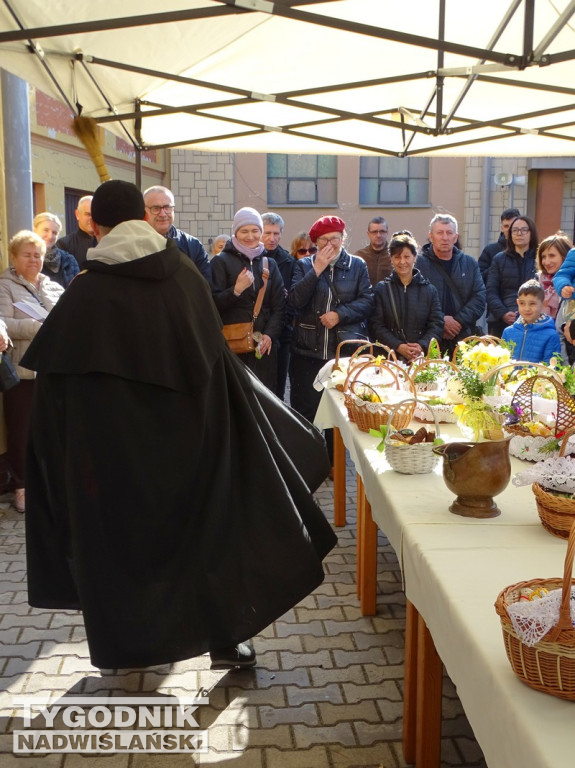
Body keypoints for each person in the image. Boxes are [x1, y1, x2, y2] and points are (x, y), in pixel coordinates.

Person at [21, 180, 336, 671]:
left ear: (97, 228)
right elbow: (215, 363)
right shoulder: (185, 275)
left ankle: (128, 649)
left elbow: (55, 390)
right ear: (143, 220)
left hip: (113, 462)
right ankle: (224, 641)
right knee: (207, 536)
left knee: (122, 546)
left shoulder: (85, 295)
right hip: (192, 446)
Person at [289, 215, 373, 461]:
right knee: (308, 409)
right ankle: (311, 461)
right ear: (315, 242)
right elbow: (294, 301)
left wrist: (340, 314)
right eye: (324, 240)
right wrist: (316, 270)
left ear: (342, 238)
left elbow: (367, 301)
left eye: (335, 238)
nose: (330, 244)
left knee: (340, 411)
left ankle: (334, 462)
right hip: (308, 351)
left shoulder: (357, 265)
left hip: (341, 353)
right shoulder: (304, 266)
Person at [0, 231, 64, 514]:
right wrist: (40, 328)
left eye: (37, 254)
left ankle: (48, 484)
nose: (33, 260)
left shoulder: (51, 286)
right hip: (23, 370)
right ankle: (21, 487)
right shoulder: (5, 286)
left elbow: (68, 317)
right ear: (14, 258)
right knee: (21, 431)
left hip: (52, 370)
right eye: (27, 254)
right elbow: (4, 324)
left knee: (50, 430)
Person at [211, 207, 285, 392]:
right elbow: (212, 304)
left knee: (265, 397)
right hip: (232, 344)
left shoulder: (270, 264)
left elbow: (279, 307)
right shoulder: (220, 262)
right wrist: (235, 290)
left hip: (263, 346)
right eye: (244, 231)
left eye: (255, 231)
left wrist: (270, 335)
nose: (250, 236)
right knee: (235, 397)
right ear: (235, 232)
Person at [415, 214, 486, 355]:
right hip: (429, 337)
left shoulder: (469, 263)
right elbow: (415, 299)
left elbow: (479, 297)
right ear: (431, 236)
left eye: (449, 233)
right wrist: (441, 321)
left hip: (463, 337)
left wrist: (458, 321)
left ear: (456, 237)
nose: (445, 237)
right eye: (440, 233)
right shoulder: (418, 265)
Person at [370, 232, 444, 362]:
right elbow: (376, 325)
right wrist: (398, 346)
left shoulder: (429, 290)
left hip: (420, 359)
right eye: (397, 257)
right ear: (391, 259)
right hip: (389, 358)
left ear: (415, 257)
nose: (402, 262)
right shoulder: (382, 289)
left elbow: (436, 324)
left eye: (407, 256)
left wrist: (422, 345)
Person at [143, 185, 211, 284]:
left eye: (167, 207)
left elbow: (206, 287)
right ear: (144, 211)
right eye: (156, 208)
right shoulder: (134, 244)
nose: (163, 214)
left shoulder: (193, 246)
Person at [262, 212, 296, 399]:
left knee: (278, 389)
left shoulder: (289, 262)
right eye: (267, 233)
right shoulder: (250, 258)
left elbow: (292, 301)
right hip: (255, 330)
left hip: (282, 335)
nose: (272, 238)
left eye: (276, 233)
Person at [486, 216, 538, 338]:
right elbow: (491, 291)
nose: (519, 234)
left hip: (533, 321)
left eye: (524, 230)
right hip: (501, 321)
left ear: (531, 233)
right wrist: (503, 313)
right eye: (515, 230)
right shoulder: (499, 259)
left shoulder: (539, 258)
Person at [501, 279, 561, 364]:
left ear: (544, 303)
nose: (527, 308)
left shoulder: (551, 335)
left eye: (532, 303)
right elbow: (502, 363)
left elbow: (551, 369)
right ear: (517, 303)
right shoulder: (508, 332)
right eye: (522, 303)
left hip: (537, 377)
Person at [33, 212, 80, 288]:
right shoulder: (28, 259)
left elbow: (78, 290)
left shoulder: (69, 260)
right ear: (34, 230)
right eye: (46, 230)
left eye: (54, 233)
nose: (50, 236)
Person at [478, 207, 521, 280]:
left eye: (513, 225)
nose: (510, 229)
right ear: (502, 228)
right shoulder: (489, 250)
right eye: (506, 226)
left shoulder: (529, 250)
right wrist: (497, 266)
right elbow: (479, 279)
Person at [55, 195, 97, 267]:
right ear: (77, 214)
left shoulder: (107, 243)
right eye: (88, 214)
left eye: (95, 214)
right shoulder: (64, 245)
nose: (92, 218)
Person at [355, 216, 391, 286]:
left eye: (382, 231)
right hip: (366, 296)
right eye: (374, 232)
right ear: (368, 234)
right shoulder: (359, 256)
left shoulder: (394, 256)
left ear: (387, 233)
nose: (378, 235)